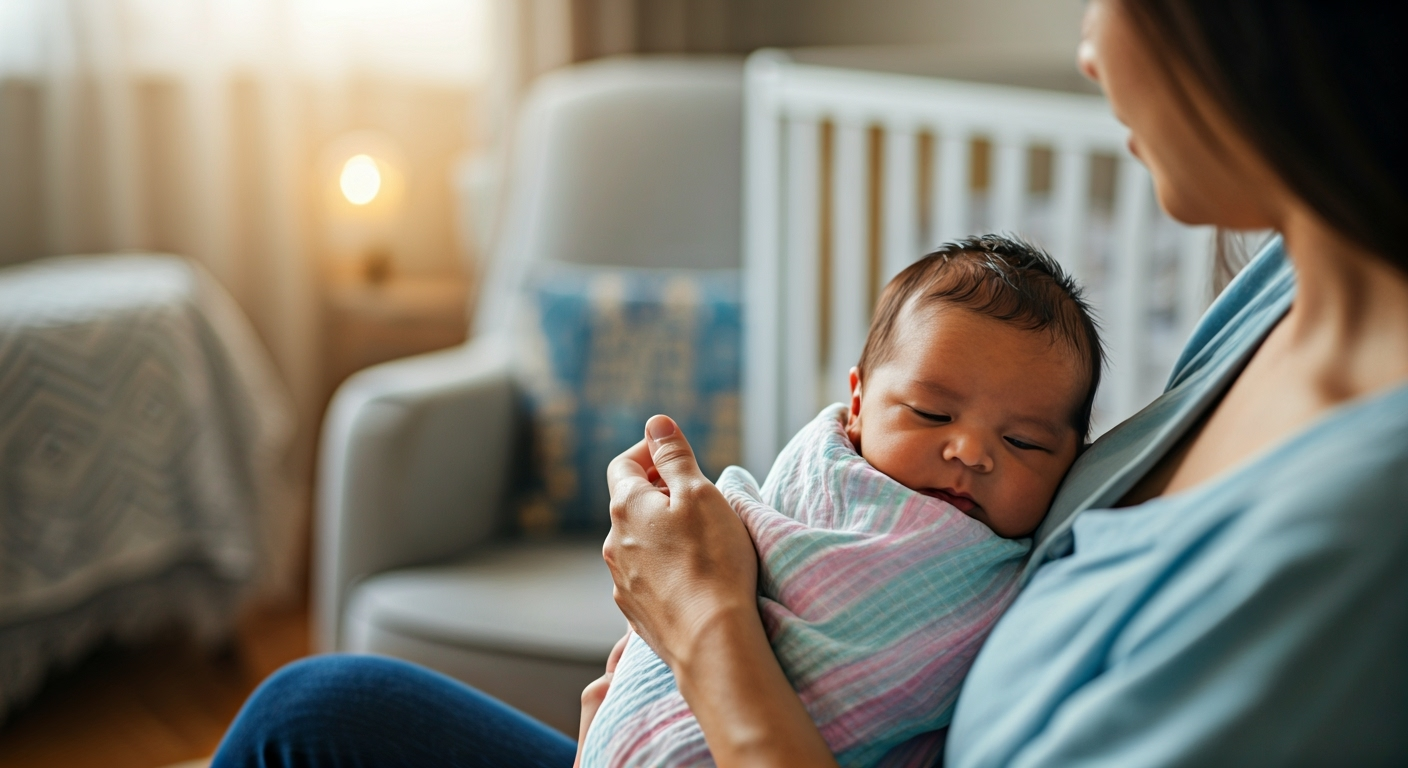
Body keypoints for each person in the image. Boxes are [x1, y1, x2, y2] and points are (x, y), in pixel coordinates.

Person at [211, 1, 1408, 765]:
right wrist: (647, 700)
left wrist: (704, 631)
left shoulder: (1362, 535)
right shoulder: (1286, 285)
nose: (1090, 48)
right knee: (315, 713)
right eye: (931, 413)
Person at [581, 237, 1102, 767]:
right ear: (857, 404)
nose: (970, 452)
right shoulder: (816, 477)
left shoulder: (1025, 575)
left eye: (1023, 442)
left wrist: (695, 609)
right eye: (930, 413)